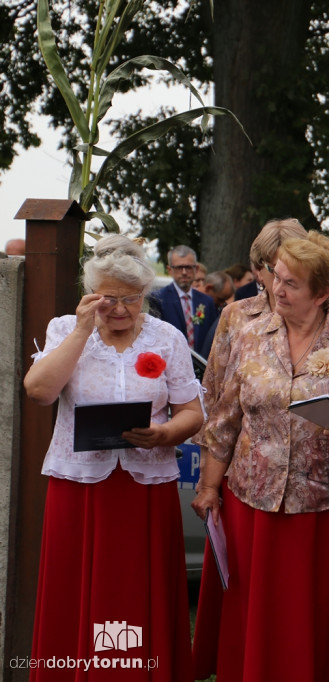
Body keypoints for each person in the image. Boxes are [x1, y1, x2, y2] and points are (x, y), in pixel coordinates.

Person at [192, 231, 329, 681]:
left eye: (291, 283)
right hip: (250, 502)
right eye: (276, 277)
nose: (278, 290)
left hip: (319, 506)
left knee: (311, 619)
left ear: (322, 293)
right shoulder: (252, 333)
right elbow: (224, 419)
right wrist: (209, 487)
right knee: (255, 617)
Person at [24, 234, 203, 680]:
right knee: (75, 591)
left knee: (137, 593)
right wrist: (85, 329)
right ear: (89, 296)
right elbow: (40, 391)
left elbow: (192, 412)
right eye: (109, 299)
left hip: (145, 488)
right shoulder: (66, 328)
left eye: (132, 299)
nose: (121, 309)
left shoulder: (167, 337)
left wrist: (164, 432)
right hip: (79, 486)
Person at [190, 217, 308, 677]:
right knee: (249, 589)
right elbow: (217, 396)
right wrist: (208, 482)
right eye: (272, 268)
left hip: (312, 482)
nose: (279, 279)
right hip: (247, 478)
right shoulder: (237, 316)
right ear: (258, 269)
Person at [157, 245, 216, 353]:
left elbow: (212, 339)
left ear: (196, 269)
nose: (184, 272)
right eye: (179, 267)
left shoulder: (207, 302)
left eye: (188, 267)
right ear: (170, 270)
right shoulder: (159, 299)